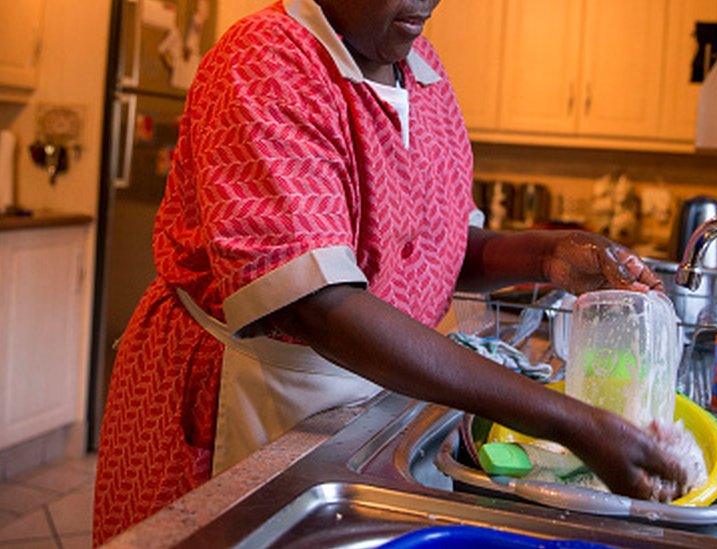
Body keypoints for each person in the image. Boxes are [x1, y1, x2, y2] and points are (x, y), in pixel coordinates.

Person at [93, 0, 686, 543]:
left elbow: (439, 246)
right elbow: (320, 305)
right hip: (251, 395)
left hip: (367, 391)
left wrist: (547, 255)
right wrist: (571, 422)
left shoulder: (419, 65)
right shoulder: (267, 60)